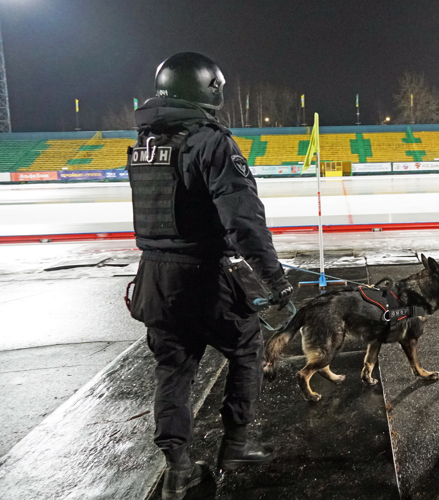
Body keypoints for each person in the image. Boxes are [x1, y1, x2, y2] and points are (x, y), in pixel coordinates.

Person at [126, 52, 293, 500]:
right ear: (208, 89)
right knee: (247, 345)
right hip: (201, 277)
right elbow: (244, 222)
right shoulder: (210, 141)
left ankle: (177, 468)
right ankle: (236, 445)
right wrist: (275, 281)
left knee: (173, 370)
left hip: (153, 281)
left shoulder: (144, 143)